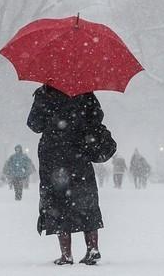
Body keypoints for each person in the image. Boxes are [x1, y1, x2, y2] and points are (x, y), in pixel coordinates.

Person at [27, 84, 116, 266]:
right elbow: (97, 118)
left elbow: (34, 125)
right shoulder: (85, 91)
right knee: (86, 201)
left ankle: (66, 255)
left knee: (57, 204)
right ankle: (92, 248)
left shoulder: (45, 93)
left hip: (54, 157)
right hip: (79, 154)